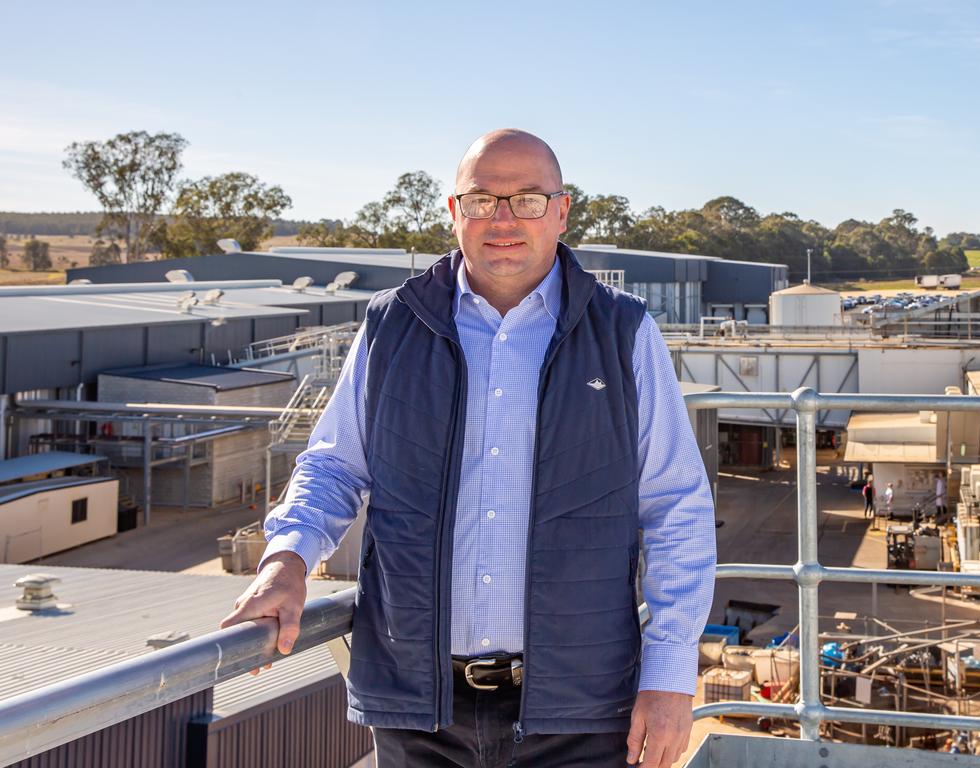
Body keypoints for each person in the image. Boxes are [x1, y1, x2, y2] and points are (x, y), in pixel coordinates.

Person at [221, 129, 717, 768]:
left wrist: (670, 677)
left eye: (529, 200)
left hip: (583, 708)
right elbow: (335, 463)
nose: (504, 219)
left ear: (562, 212)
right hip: (420, 706)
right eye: (483, 200)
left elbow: (676, 507)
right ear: (454, 212)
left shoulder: (624, 332)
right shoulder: (392, 324)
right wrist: (286, 559)